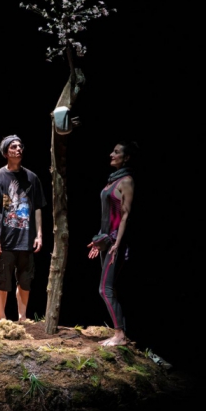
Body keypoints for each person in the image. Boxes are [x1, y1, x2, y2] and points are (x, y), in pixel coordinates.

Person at [0, 135, 47, 323]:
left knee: (25, 279)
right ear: (6, 152)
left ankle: (22, 317)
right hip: (5, 239)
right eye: (13, 146)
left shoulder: (32, 178)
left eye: (20, 146)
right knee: (2, 280)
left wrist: (39, 234)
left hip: (26, 239)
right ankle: (1, 318)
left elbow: (37, 208)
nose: (18, 149)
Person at [87, 140, 140, 346]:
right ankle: (121, 331)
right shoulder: (112, 180)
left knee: (105, 289)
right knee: (110, 287)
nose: (111, 154)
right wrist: (100, 241)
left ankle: (120, 335)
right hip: (107, 241)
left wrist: (117, 243)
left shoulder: (126, 181)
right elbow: (108, 216)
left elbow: (125, 216)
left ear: (126, 157)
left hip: (116, 242)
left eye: (116, 152)